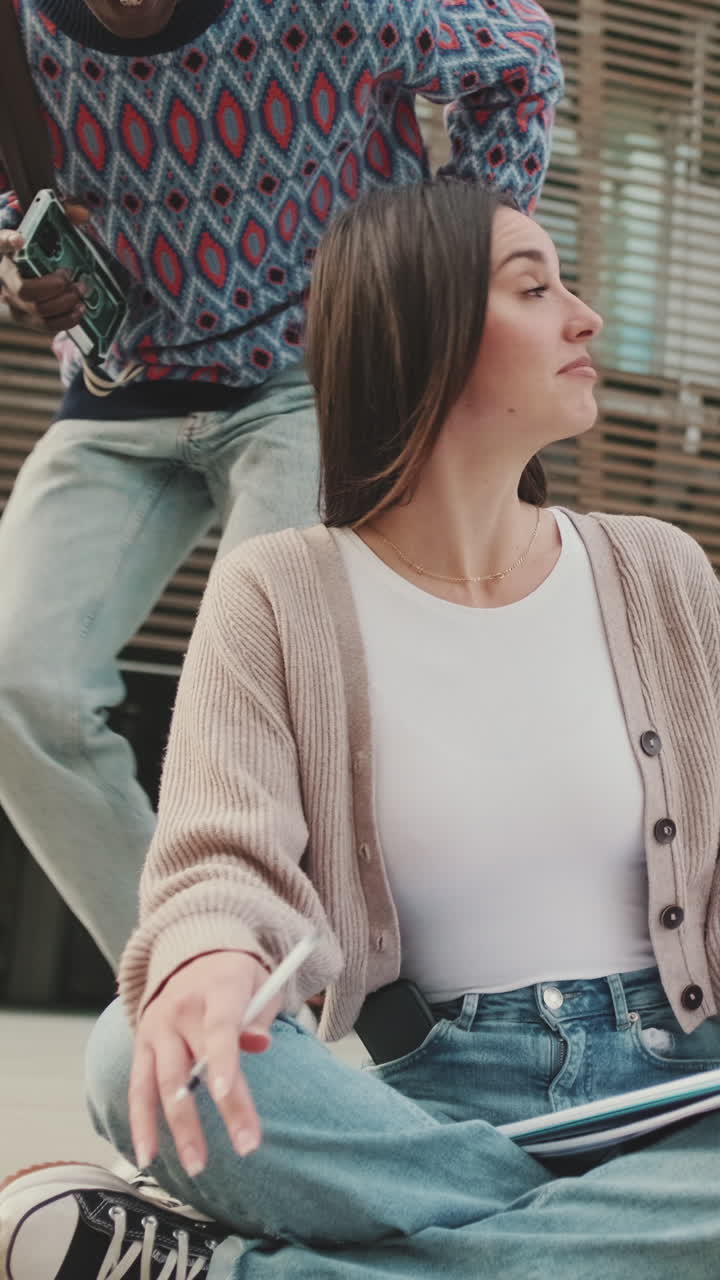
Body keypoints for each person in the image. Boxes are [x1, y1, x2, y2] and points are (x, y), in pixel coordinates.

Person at [7, 175, 720, 1279]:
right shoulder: (279, 591)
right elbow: (219, 846)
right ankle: (606, 1239)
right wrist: (204, 952)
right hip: (438, 1103)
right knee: (132, 1052)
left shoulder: (659, 569)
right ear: (419, 327)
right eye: (535, 288)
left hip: (691, 1078)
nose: (582, 316)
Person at [0, 0, 562, 968]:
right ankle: (194, 973)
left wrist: (444, 271)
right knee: (16, 686)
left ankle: (263, 981)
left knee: (248, 698)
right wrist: (16, 260)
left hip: (313, 372)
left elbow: (520, 56)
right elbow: (15, 203)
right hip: (123, 387)